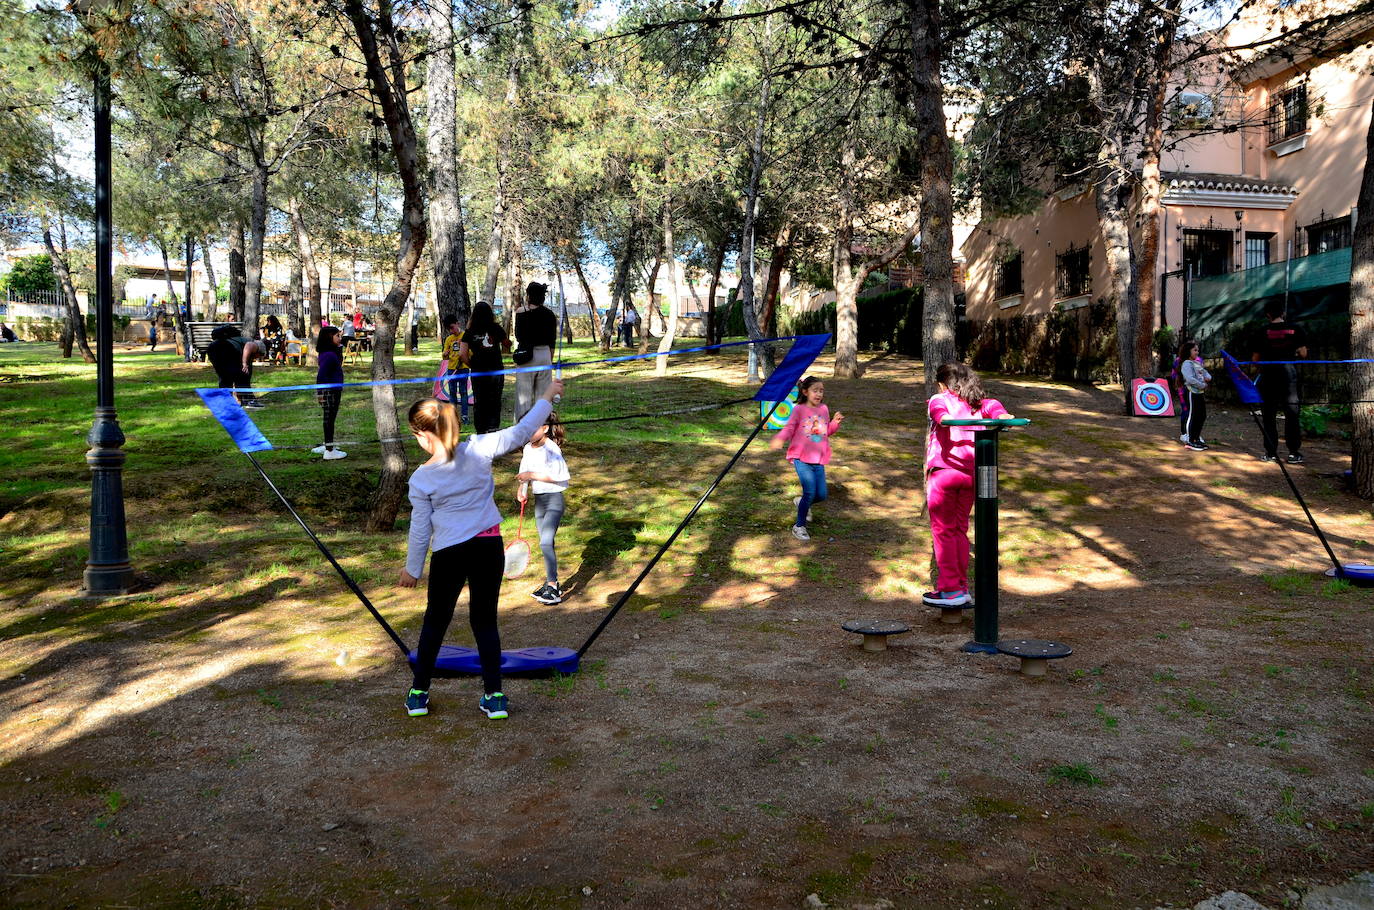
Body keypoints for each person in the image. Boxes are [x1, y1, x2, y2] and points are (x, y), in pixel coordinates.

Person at [399, 377, 566, 720]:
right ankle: (495, 697)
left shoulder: (421, 478)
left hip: (450, 553)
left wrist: (413, 569)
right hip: (489, 548)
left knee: (436, 621)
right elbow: (523, 431)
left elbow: (420, 529)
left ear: (425, 436)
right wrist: (548, 396)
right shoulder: (479, 447)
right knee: (484, 622)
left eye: (416, 435)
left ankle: (418, 694)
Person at [923, 362, 1012, 608]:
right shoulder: (977, 403)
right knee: (959, 529)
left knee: (943, 531)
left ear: (943, 383)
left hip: (945, 472)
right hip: (970, 475)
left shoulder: (939, 399)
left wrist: (946, 418)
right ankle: (960, 587)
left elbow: (940, 414)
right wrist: (1001, 415)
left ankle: (951, 590)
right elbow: (993, 406)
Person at [769, 375, 843, 541]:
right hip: (801, 458)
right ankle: (799, 526)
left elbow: (826, 432)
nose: (819, 394)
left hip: (818, 459)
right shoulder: (799, 410)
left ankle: (801, 501)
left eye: (821, 391)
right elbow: (789, 428)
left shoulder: (824, 409)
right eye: (815, 390)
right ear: (805, 392)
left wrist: (835, 423)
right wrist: (780, 438)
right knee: (810, 491)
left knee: (821, 495)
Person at [517, 411, 570, 605]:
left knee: (546, 542)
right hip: (539, 501)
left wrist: (531, 474)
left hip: (554, 500)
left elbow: (559, 475)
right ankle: (550, 582)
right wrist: (522, 488)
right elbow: (524, 472)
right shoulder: (528, 449)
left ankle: (553, 587)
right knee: (545, 542)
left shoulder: (552, 449)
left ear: (545, 428)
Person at [1252, 302, 1307, 464]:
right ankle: (1294, 452)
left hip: (1268, 376)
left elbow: (1255, 359)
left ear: (1267, 315)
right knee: (1292, 413)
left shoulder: (1261, 332)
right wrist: (1294, 352)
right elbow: (1303, 353)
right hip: (1289, 376)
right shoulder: (1296, 329)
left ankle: (1270, 453)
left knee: (1268, 415)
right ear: (1282, 313)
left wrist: (1261, 367)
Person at [461, 301, 510, 433]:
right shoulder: (496, 328)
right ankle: (493, 428)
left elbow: (463, 354)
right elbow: (507, 344)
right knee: (495, 400)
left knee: (480, 401)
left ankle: (480, 431)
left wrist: (473, 365)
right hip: (496, 370)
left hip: (478, 372)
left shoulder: (469, 332)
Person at [514, 281, 558, 420]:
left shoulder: (521, 312)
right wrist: (549, 359)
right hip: (544, 354)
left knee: (523, 399)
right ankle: (544, 428)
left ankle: (521, 431)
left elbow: (518, 336)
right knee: (544, 397)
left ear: (528, 295)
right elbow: (552, 341)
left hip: (526, 356)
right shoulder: (550, 314)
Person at [206, 324, 263, 407]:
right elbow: (249, 346)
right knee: (243, 375)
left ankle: (226, 402)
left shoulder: (223, 340)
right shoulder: (258, 344)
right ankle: (248, 400)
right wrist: (245, 363)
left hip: (212, 349)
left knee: (224, 377)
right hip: (228, 349)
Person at [312, 326, 347, 460]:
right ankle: (329, 450)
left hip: (333, 390)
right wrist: (320, 394)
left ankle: (327, 444)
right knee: (329, 420)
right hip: (330, 392)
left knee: (329, 419)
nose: (340, 338)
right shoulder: (329, 355)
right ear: (328, 338)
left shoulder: (331, 353)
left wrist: (339, 347)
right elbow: (321, 376)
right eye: (337, 336)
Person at [1178, 340, 1211, 452]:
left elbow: (1204, 372)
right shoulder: (1186, 364)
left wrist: (1208, 377)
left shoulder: (1196, 363)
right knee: (1193, 415)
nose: (1197, 352)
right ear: (1188, 351)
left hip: (1199, 393)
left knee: (1202, 415)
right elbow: (1190, 379)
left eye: (1197, 350)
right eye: (1195, 350)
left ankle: (1196, 438)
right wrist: (1202, 385)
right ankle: (1190, 440)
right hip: (1192, 392)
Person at [440, 317, 470, 423]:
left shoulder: (466, 336)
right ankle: (453, 416)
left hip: (463, 369)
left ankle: (464, 416)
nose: (452, 331)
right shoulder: (449, 339)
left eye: (452, 327)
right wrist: (445, 354)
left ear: (457, 323)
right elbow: (444, 356)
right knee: (452, 393)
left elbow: (470, 352)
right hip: (451, 369)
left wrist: (464, 358)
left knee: (463, 392)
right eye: (449, 329)